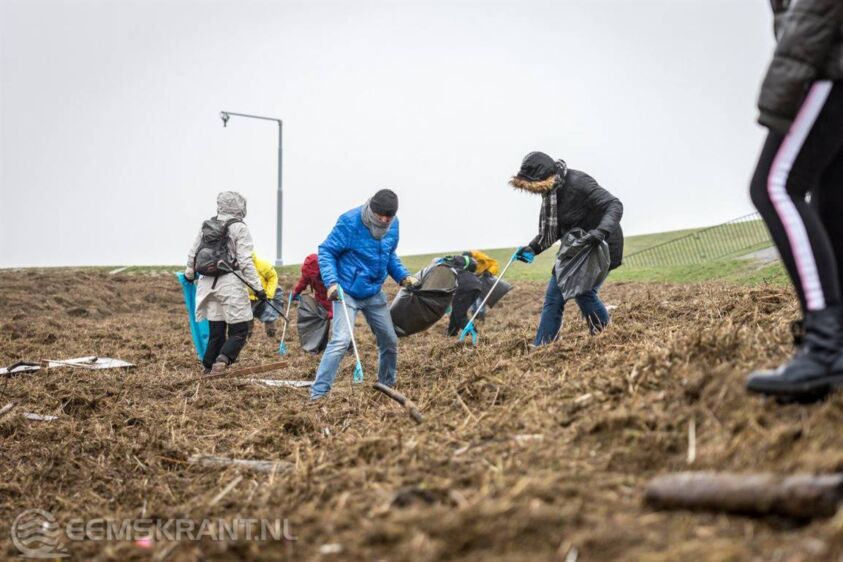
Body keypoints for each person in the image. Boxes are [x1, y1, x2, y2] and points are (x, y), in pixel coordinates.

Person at [745, 0, 843, 401]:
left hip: (828, 62)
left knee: (774, 184)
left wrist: (792, 71)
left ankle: (825, 343)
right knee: (830, 196)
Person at [310, 189, 418, 400]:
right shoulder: (350, 222)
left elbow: (389, 255)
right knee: (341, 340)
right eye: (381, 216)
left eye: (389, 216)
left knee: (389, 340)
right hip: (346, 292)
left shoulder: (393, 225)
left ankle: (386, 387)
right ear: (372, 209)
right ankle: (318, 393)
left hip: (373, 292)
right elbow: (327, 251)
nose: (385, 220)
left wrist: (403, 277)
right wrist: (331, 283)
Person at [510, 152, 623, 345]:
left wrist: (601, 231)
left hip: (600, 245)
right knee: (554, 297)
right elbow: (553, 231)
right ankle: (543, 346)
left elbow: (614, 204)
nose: (536, 192)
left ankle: (605, 337)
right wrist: (532, 249)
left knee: (583, 291)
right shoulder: (550, 195)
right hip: (574, 249)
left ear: (545, 177)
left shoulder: (579, 182)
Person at [185, 191, 264, 374]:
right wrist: (257, 288)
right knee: (240, 330)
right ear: (240, 207)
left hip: (206, 284)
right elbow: (245, 261)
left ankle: (207, 367)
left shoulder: (208, 224)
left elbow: (193, 252)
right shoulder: (239, 228)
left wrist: (190, 272)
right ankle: (222, 361)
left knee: (216, 331)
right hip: (230, 284)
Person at [249, 252, 282, 339]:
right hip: (247, 299)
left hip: (263, 297)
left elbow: (273, 277)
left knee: (269, 316)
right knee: (246, 319)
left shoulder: (263, 265)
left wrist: (269, 294)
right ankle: (246, 337)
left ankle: (271, 336)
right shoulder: (239, 265)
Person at [292, 253, 333, 319]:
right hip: (319, 300)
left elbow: (337, 299)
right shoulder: (308, 272)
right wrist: (296, 292)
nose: (311, 277)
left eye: (313, 275)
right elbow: (303, 282)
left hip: (331, 300)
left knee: (335, 322)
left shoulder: (329, 274)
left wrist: (331, 313)